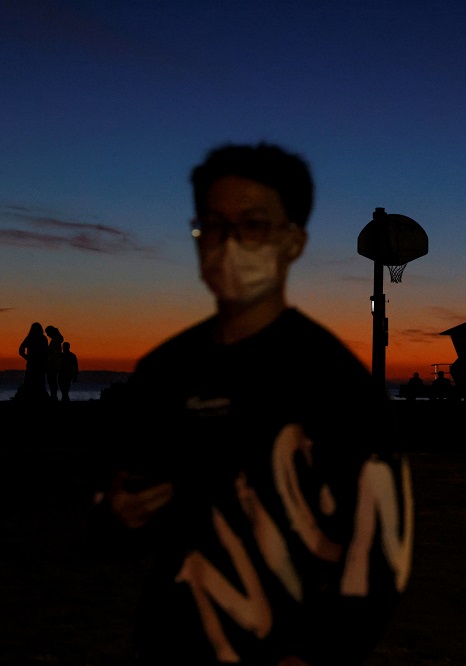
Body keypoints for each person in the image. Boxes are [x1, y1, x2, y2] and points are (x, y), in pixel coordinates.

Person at [96, 142, 412, 666]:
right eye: (214, 226)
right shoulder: (163, 372)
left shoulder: (336, 382)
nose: (229, 244)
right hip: (174, 644)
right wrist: (118, 515)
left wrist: (318, 652)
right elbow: (121, 523)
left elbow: (381, 553)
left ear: (293, 241)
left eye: (254, 224)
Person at [17, 322, 49, 400]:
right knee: (40, 381)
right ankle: (40, 398)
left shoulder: (30, 337)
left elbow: (21, 349)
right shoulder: (43, 338)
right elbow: (46, 353)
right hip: (40, 363)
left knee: (30, 381)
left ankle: (29, 397)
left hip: (32, 363)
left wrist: (26, 357)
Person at [44, 325, 64, 401]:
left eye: (47, 333)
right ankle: (53, 396)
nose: (47, 335)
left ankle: (53, 396)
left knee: (52, 380)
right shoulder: (57, 340)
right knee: (52, 380)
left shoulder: (55, 340)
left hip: (53, 364)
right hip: (55, 363)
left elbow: (52, 352)